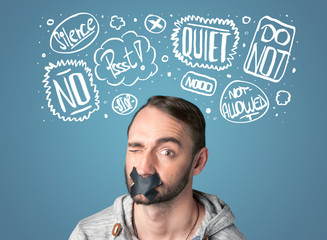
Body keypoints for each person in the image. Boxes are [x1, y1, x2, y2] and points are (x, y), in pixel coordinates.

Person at [69, 95, 246, 240]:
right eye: (136, 149)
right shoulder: (88, 235)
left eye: (166, 152)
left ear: (198, 162)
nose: (144, 169)